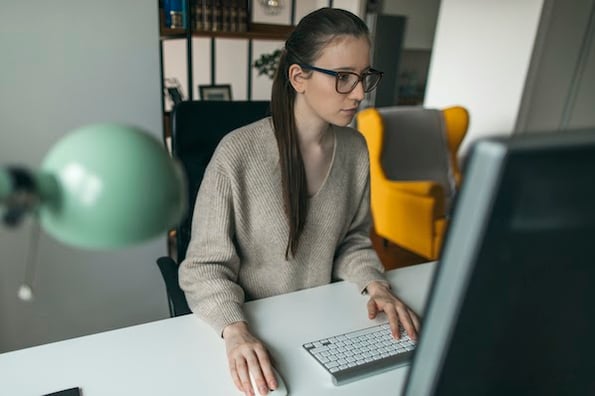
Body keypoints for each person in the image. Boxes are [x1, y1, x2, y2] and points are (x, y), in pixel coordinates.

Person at [179, 7, 421, 396]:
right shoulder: (237, 154)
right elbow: (203, 268)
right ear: (298, 77)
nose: (359, 93)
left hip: (322, 322)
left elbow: (351, 241)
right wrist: (235, 331)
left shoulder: (355, 150)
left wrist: (376, 285)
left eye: (364, 77)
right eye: (343, 78)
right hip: (255, 328)